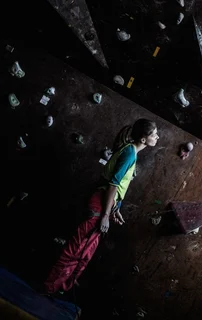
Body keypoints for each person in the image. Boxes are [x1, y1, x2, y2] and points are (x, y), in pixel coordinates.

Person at [43, 119, 159, 295]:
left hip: (106, 204)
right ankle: (48, 287)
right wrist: (105, 215)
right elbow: (112, 184)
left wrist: (115, 209)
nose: (157, 137)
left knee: (85, 253)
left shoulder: (131, 151)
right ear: (143, 139)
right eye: (154, 134)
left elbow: (116, 188)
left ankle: (60, 288)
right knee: (76, 249)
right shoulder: (129, 153)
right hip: (100, 204)